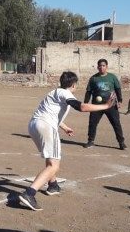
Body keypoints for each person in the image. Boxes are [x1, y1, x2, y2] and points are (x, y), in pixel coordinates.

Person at [17, 71, 116, 211]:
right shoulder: (65, 93)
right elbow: (81, 107)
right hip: (45, 126)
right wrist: (106, 106)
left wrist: (64, 127)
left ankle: (53, 185)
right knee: (54, 165)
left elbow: (50, 112)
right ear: (74, 84)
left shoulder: (54, 92)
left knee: (51, 159)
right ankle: (29, 193)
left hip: (34, 125)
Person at [83, 58, 126, 150]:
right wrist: (85, 104)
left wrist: (120, 101)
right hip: (96, 106)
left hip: (111, 104)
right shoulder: (93, 78)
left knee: (116, 123)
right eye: (100, 66)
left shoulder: (112, 77)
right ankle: (90, 141)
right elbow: (88, 92)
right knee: (92, 123)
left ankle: (121, 142)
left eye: (103, 66)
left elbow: (118, 89)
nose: (101, 67)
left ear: (107, 67)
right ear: (97, 67)